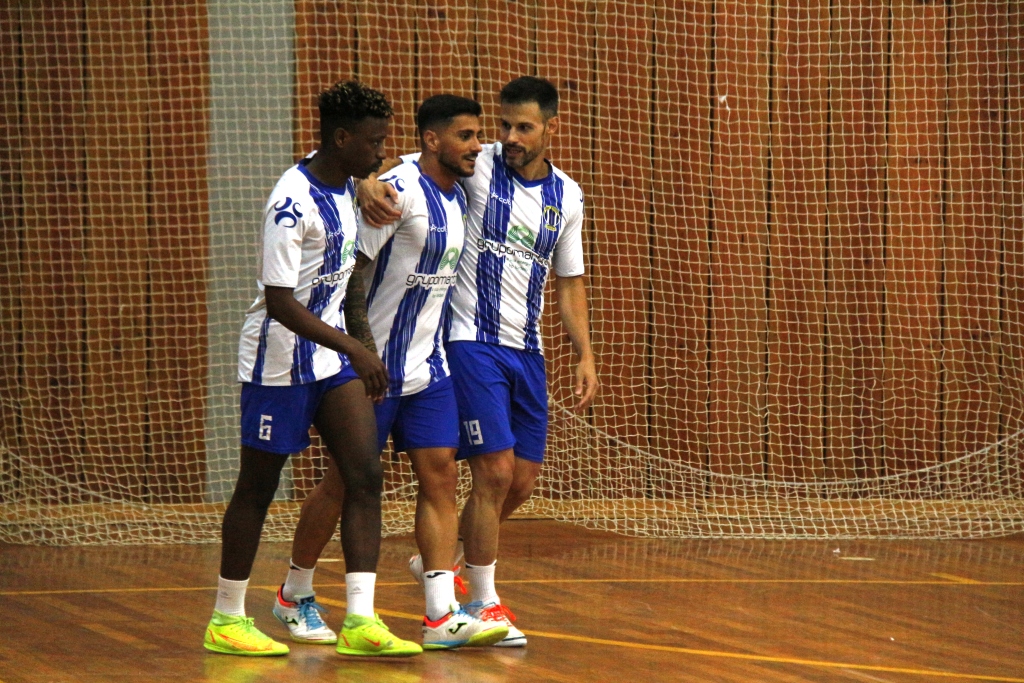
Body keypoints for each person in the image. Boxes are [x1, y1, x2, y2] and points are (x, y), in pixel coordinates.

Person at [361, 76, 599, 648]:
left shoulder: (567, 195)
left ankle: (444, 561)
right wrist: (368, 180)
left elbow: (569, 283)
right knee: (491, 472)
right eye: (504, 126)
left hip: (528, 349)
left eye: (524, 127)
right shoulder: (479, 164)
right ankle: (482, 599)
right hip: (467, 341)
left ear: (550, 129)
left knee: (520, 479)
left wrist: (585, 352)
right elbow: (410, 165)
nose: (508, 138)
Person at [273, 94, 508, 650]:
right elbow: (354, 274)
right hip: (377, 367)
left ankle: (439, 615)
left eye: (480, 136)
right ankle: (293, 590)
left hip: (430, 367)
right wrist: (363, 349)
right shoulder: (396, 192)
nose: (479, 146)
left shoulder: (460, 194)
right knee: (342, 484)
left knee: (441, 477)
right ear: (431, 140)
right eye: (467, 136)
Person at [203, 80, 421, 658]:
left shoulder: (349, 183)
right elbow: (281, 302)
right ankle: (226, 617)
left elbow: (392, 166)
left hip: (329, 360)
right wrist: (357, 348)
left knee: (365, 474)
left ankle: (360, 620)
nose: (382, 152)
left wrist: (352, 346)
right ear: (341, 137)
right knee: (258, 486)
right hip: (277, 359)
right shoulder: (291, 202)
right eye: (374, 142)